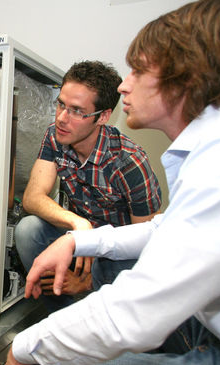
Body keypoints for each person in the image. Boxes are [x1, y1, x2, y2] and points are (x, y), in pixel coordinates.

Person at [7, 0, 220, 365]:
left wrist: (28, 346)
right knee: (37, 234)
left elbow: (145, 298)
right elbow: (167, 229)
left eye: (138, 70)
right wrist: (78, 237)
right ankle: (80, 325)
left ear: (184, 80)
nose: (125, 85)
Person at [14, 60, 161, 309]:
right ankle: (60, 315)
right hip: (79, 240)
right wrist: (77, 223)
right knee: (28, 230)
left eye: (76, 111)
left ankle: (103, 320)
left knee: (131, 264)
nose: (61, 118)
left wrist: (90, 281)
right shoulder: (55, 136)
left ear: (102, 116)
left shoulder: (129, 162)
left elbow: (148, 248)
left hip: (118, 255)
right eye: (61, 104)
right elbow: (32, 198)